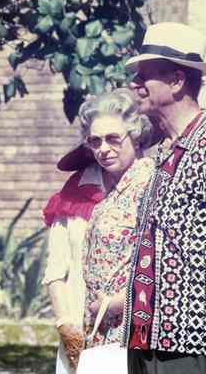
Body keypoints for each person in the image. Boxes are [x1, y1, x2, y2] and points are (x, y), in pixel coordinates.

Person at [43, 88, 154, 373]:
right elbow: (56, 268)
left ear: (136, 135)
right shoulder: (76, 189)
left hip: (135, 328)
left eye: (114, 139)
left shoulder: (153, 184)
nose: (104, 149)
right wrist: (65, 323)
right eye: (95, 141)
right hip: (80, 328)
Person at [122, 22, 206, 374]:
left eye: (145, 75)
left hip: (190, 340)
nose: (134, 84)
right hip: (145, 338)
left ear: (176, 81)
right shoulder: (164, 152)